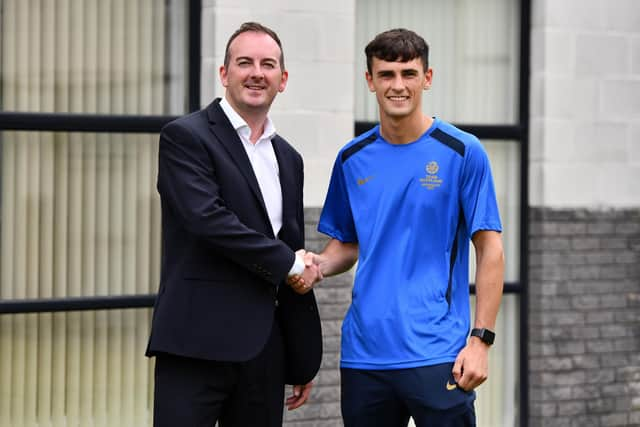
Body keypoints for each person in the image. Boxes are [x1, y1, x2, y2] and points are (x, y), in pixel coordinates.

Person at [290, 28, 504, 426]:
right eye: (386, 74)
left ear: (428, 77)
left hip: (438, 352)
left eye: (408, 73)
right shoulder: (352, 158)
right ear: (370, 81)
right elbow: (349, 243)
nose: (398, 85)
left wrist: (481, 340)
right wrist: (318, 264)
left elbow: (490, 249)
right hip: (364, 355)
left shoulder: (462, 152)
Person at [146, 22, 323, 427]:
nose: (256, 73)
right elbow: (207, 220)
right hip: (195, 346)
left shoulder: (289, 158)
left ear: (283, 79)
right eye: (244, 63)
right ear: (224, 73)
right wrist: (292, 264)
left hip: (264, 352)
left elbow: (289, 245)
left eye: (268, 64)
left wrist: (299, 354)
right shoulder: (185, 137)